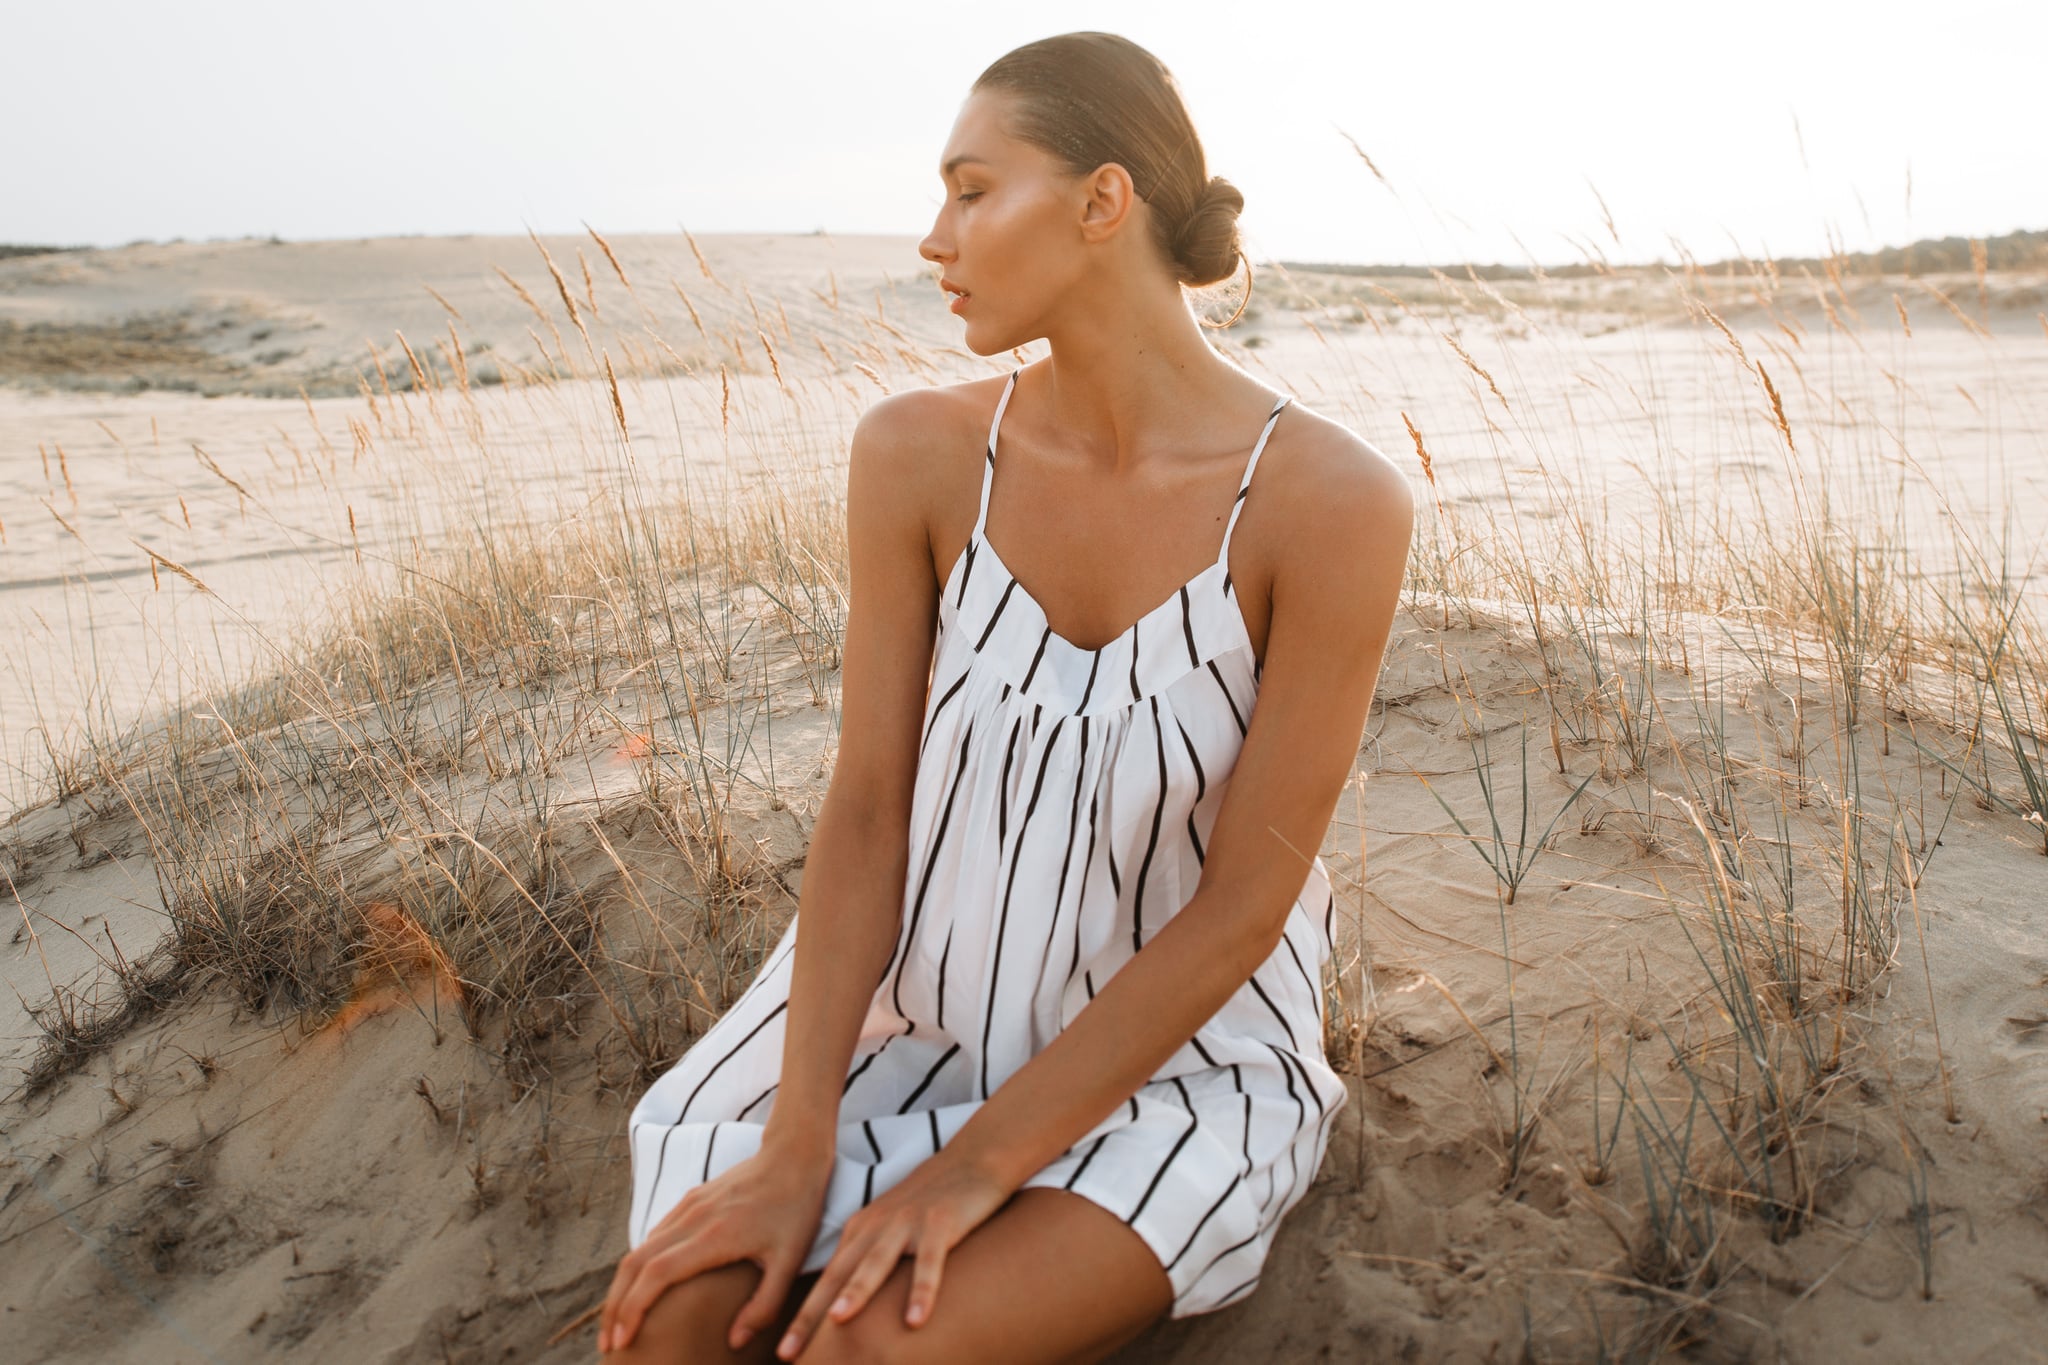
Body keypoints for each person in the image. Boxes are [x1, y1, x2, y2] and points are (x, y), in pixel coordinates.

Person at [597, 30, 1413, 1364]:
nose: (935, 237)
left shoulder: (1331, 504)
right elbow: (865, 807)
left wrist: (974, 1167)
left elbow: (1241, 911)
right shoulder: (916, 456)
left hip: (1167, 1076)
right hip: (902, 1027)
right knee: (669, 1332)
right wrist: (800, 1140)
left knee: (864, 1346)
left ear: (1104, 201)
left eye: (972, 191)